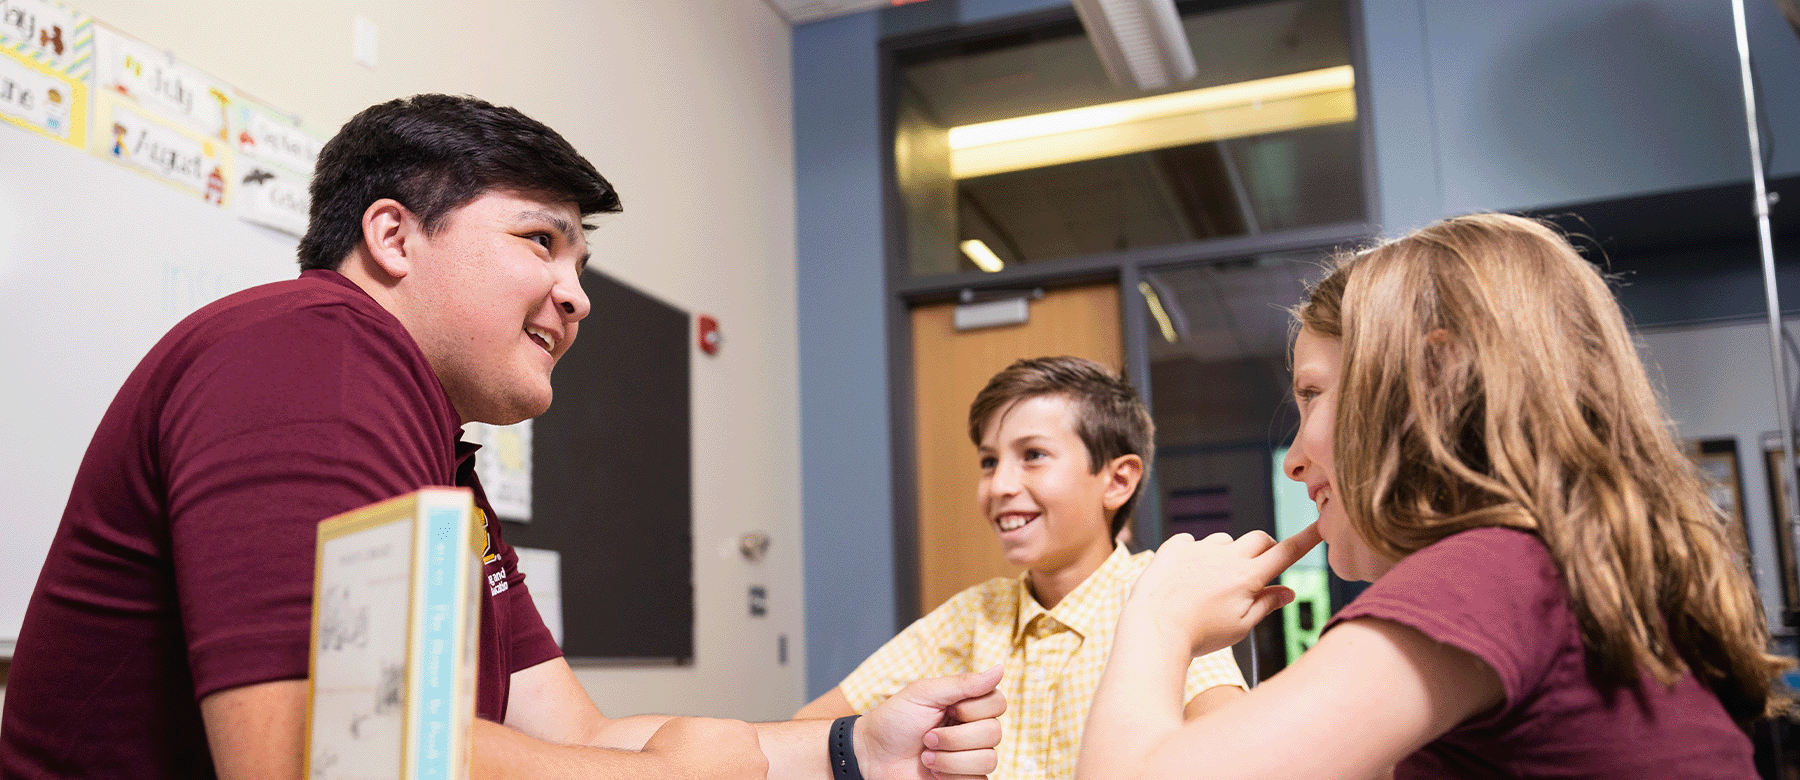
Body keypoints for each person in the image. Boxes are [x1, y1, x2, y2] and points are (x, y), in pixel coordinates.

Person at [0, 94, 1005, 780]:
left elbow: (578, 734)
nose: (576, 296)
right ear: (393, 238)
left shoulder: (434, 453)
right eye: (540, 241)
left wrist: (854, 749)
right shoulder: (316, 348)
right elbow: (314, 756)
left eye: (581, 259)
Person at [1078, 213, 1791, 779]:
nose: (1294, 461)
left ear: (1434, 382)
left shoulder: (1488, 574)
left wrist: (1157, 614)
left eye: (1314, 396)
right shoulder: (1561, 570)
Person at [798, 356, 1247, 779]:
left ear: (1117, 481)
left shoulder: (1161, 598)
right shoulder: (972, 615)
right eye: (989, 462)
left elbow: (1233, 754)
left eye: (1033, 455)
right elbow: (811, 728)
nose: (1000, 485)